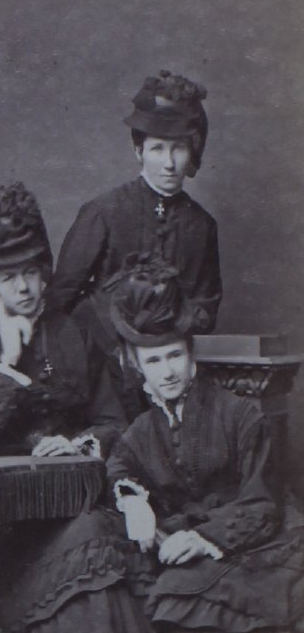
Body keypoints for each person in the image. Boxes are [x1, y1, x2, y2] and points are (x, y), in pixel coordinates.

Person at [0, 182, 180, 633]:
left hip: (80, 497)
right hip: (7, 529)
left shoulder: (75, 329)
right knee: (90, 535)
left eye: (32, 270)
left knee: (97, 528)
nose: (26, 286)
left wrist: (81, 444)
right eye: (9, 277)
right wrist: (6, 366)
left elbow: (114, 420)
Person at [106, 257, 304, 633]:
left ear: (191, 356)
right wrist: (134, 500)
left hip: (260, 544)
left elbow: (262, 503)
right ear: (135, 366)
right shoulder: (139, 433)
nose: (167, 371)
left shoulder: (241, 415)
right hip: (193, 565)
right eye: (154, 362)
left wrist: (207, 537)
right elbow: (122, 465)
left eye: (174, 356)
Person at [49, 70, 222, 417]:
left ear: (193, 151)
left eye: (179, 149)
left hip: (170, 374)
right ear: (138, 150)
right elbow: (61, 301)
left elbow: (206, 307)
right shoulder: (103, 211)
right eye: (158, 149)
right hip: (100, 377)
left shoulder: (202, 226)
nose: (169, 163)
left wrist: (164, 333)